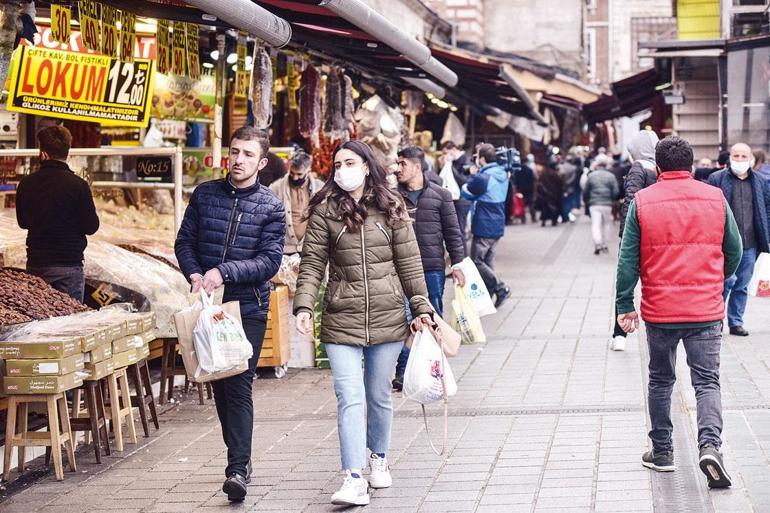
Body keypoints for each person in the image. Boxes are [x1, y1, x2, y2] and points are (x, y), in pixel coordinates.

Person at [293, 140, 433, 507]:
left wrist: (421, 306)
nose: (342, 169)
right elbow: (311, 264)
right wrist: (304, 306)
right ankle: (353, 478)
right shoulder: (325, 210)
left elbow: (409, 262)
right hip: (341, 319)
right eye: (337, 164)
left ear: (367, 166)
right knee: (349, 396)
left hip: (387, 317)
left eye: (349, 162)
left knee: (379, 394)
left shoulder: (391, 207)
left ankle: (379, 456)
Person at [616, 135, 742, 489]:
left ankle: (663, 452)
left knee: (660, 380)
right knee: (707, 381)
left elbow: (628, 259)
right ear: (690, 165)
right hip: (705, 310)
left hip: (660, 311)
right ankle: (710, 446)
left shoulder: (642, 201)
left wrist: (624, 304)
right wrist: (715, 278)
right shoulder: (715, 197)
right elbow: (733, 249)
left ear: (656, 168)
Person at [174, 126, 286, 502]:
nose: (239, 159)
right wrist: (193, 271)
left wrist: (225, 271)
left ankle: (237, 467)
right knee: (219, 382)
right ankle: (240, 459)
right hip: (208, 306)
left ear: (262, 162)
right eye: (235, 151)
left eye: (248, 154)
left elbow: (270, 261)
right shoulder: (206, 194)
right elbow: (184, 241)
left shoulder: (270, 206)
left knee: (238, 380)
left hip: (247, 306)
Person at [392, 146, 466, 391]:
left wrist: (457, 264)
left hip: (431, 267)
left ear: (417, 166)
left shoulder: (441, 195)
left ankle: (435, 368)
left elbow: (453, 233)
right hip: (399, 269)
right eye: (397, 163)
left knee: (433, 318)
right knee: (405, 320)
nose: (398, 168)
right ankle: (404, 370)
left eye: (403, 163)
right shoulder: (391, 197)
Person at [16, 125, 99, 302]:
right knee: (69, 325)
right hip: (68, 265)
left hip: (36, 265)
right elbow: (91, 226)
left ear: (43, 153)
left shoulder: (26, 184)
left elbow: (23, 222)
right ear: (67, 152)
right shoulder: (78, 185)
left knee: (37, 324)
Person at [708, 142, 770, 337]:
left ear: (751, 158)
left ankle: (736, 322)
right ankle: (715, 319)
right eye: (736, 156)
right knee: (724, 282)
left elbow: (767, 209)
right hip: (724, 243)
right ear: (730, 158)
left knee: (742, 284)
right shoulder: (716, 179)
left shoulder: (759, 181)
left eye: (744, 156)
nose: (740, 160)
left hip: (751, 242)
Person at [611, 129, 660, 352]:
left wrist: (625, 235)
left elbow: (631, 201)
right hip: (657, 234)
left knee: (626, 283)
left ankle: (619, 333)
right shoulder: (660, 168)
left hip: (637, 233)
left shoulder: (638, 168)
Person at [462, 143, 511, 307]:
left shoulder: (483, 177)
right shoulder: (503, 173)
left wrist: (470, 177)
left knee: (476, 261)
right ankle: (490, 296)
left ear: (482, 159)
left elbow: (466, 192)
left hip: (484, 223)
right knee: (488, 261)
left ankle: (500, 287)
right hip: (497, 222)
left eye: (477, 156)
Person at [269, 151, 324, 255]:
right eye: (292, 173)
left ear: (308, 171)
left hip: (311, 248)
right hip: (284, 249)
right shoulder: (275, 188)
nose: (295, 178)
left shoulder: (320, 188)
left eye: (299, 174)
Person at [583, 154, 620, 255]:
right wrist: (611, 199)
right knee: (607, 224)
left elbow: (586, 191)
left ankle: (598, 243)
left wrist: (587, 200)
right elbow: (616, 191)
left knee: (596, 224)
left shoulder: (591, 176)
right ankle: (605, 245)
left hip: (594, 204)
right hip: (607, 204)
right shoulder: (611, 176)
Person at [441, 141, 472, 248]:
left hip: (462, 200)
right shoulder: (454, 161)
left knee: (460, 230)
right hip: (456, 199)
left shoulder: (465, 160)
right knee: (456, 230)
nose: (446, 156)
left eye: (447, 152)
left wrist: (450, 166)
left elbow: (463, 180)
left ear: (453, 149)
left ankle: (463, 258)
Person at [535, 163, 563, 227]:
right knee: (553, 208)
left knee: (544, 209)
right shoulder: (554, 174)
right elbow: (559, 183)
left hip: (544, 194)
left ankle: (543, 221)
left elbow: (539, 183)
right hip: (553, 194)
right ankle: (554, 221)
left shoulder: (543, 173)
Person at [516, 154, 537, 224]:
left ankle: (523, 219)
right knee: (531, 205)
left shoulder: (518, 171)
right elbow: (533, 180)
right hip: (529, 190)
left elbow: (516, 181)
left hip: (520, 190)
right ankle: (533, 218)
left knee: (522, 205)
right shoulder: (529, 170)